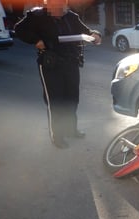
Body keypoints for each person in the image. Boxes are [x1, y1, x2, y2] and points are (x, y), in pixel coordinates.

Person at [14, 0, 101, 149]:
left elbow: (87, 31)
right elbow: (19, 29)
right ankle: (57, 135)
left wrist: (95, 35)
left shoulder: (71, 17)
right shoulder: (36, 16)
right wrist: (36, 40)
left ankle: (71, 129)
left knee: (72, 98)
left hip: (71, 63)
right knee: (55, 101)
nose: (58, 5)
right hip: (50, 64)